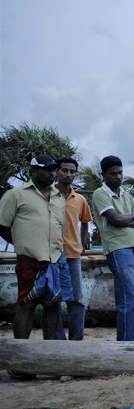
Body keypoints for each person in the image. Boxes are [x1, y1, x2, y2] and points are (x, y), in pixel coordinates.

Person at [0, 155, 64, 373]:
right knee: (26, 304)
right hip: (29, 258)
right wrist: (21, 242)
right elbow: (2, 225)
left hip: (54, 259)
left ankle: (48, 357)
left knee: (53, 305)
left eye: (54, 170)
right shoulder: (16, 195)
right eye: (46, 170)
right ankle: (20, 361)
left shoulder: (58, 197)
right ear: (33, 171)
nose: (52, 174)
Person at [92, 155, 134, 341]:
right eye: (113, 174)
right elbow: (115, 219)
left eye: (120, 172)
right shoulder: (100, 194)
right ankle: (126, 344)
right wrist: (128, 218)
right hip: (117, 249)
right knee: (129, 297)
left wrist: (124, 219)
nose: (118, 177)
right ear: (104, 175)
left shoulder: (126, 195)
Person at [54, 156, 92, 341]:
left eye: (72, 171)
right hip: (50, 255)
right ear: (56, 171)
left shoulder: (80, 199)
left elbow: (86, 221)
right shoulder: (47, 195)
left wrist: (85, 238)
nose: (68, 174)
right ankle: (59, 341)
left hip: (72, 255)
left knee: (76, 300)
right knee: (53, 300)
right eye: (64, 170)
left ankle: (76, 341)